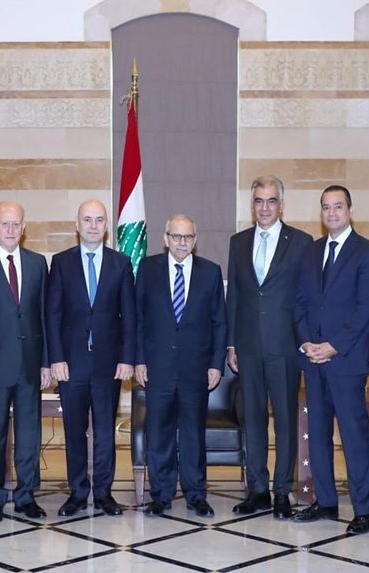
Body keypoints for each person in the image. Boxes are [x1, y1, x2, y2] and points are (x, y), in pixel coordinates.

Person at [292, 185, 369, 533]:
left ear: (350, 210)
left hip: (346, 361)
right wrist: (306, 343)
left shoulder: (368, 252)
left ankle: (364, 511)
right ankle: (326, 502)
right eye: (326, 207)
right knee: (317, 434)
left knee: (354, 436)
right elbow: (299, 302)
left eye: (338, 206)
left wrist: (333, 345)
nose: (332, 213)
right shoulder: (311, 251)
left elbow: (364, 310)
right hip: (313, 360)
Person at [225, 176, 312, 519]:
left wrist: (305, 340)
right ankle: (258, 489)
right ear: (252, 205)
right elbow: (234, 297)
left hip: (285, 346)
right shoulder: (238, 242)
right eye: (259, 201)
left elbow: (306, 297)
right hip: (247, 346)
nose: (264, 207)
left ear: (281, 205)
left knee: (286, 420)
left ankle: (282, 491)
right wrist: (231, 343)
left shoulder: (301, 243)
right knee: (253, 419)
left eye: (271, 201)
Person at [46, 199, 135, 517]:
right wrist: (56, 358)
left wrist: (127, 358)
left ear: (107, 226)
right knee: (74, 430)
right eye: (87, 219)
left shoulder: (121, 263)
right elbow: (52, 314)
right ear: (77, 225)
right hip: (71, 364)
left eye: (99, 220)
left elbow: (130, 316)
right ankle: (77, 492)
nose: (93, 225)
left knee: (105, 431)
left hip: (109, 363)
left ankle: (104, 493)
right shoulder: (61, 263)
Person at [134, 215, 227, 517]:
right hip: (157, 367)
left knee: (193, 434)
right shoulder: (147, 269)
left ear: (195, 240)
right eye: (176, 236)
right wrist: (139, 360)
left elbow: (219, 322)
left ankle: (195, 494)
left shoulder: (210, 272)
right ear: (166, 238)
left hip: (195, 369)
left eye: (188, 237)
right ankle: (161, 495)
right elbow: (138, 319)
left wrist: (216, 364)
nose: (182, 242)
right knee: (158, 433)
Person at [0, 201, 51, 521]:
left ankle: (26, 495)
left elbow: (43, 316)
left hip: (30, 366)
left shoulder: (37, 264)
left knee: (30, 435)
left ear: (24, 228)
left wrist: (46, 362)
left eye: (16, 224)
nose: (11, 229)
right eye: (5, 224)